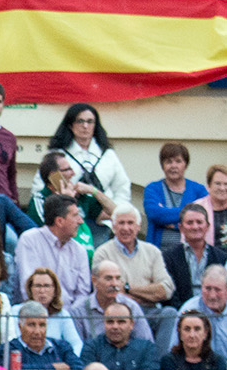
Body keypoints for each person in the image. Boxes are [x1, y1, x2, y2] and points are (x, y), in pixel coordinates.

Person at [34, 103, 130, 239]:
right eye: (80, 121)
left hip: (101, 221)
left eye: (90, 122)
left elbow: (122, 188)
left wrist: (116, 214)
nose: (85, 126)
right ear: (70, 125)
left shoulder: (108, 155)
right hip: (68, 221)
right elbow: (41, 185)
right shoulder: (58, 154)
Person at [93, 203, 176, 349]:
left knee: (169, 313)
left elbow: (166, 289)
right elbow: (109, 292)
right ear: (113, 226)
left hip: (149, 312)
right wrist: (148, 293)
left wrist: (128, 289)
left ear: (138, 226)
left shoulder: (152, 251)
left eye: (130, 223)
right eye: (121, 223)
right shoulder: (103, 253)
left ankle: (160, 368)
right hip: (117, 313)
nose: (126, 228)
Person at [17, 194, 91, 305]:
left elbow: (83, 294)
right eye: (75, 216)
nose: (80, 221)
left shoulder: (79, 250)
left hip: (70, 317)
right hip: (36, 314)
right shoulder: (29, 240)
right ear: (60, 221)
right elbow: (28, 288)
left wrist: (67, 319)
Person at [68, 258, 152, 347]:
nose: (114, 284)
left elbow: (146, 344)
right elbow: (77, 349)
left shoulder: (131, 306)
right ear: (94, 280)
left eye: (118, 278)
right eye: (109, 278)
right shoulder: (78, 310)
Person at [145, 142, 207, 250]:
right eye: (168, 162)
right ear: (162, 165)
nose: (173, 166)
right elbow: (155, 214)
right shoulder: (152, 188)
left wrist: (167, 216)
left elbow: (205, 216)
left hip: (190, 251)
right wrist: (188, 216)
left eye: (178, 161)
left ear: (185, 165)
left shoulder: (198, 190)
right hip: (159, 253)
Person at [164, 204, 226, 311]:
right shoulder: (168, 257)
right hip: (181, 315)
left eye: (199, 222)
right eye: (189, 223)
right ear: (181, 227)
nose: (195, 227)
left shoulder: (221, 257)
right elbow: (170, 294)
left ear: (207, 226)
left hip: (214, 314)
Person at [79, 300, 155, 370]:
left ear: (132, 324)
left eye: (121, 322)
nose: (115, 327)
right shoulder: (92, 347)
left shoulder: (146, 349)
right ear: (104, 323)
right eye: (110, 322)